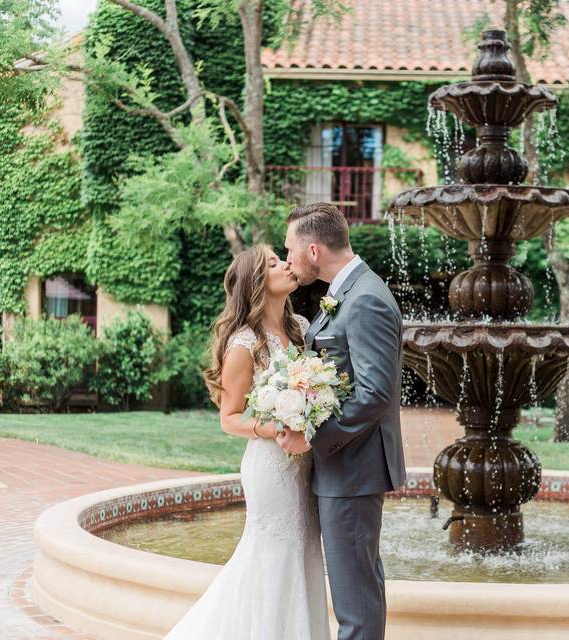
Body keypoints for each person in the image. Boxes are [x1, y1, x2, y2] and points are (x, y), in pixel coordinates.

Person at [163, 245, 330, 640]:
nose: (287, 264)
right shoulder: (243, 345)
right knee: (274, 558)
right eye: (273, 263)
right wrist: (276, 428)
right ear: (257, 283)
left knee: (305, 554)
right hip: (271, 467)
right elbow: (230, 418)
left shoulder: (301, 330)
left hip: (304, 463)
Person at [279, 202, 407, 640]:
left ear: (313, 249)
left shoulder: (367, 299)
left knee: (355, 601)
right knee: (359, 587)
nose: (289, 258)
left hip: (354, 469)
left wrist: (314, 437)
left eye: (290, 249)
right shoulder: (347, 292)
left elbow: (375, 393)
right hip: (345, 470)